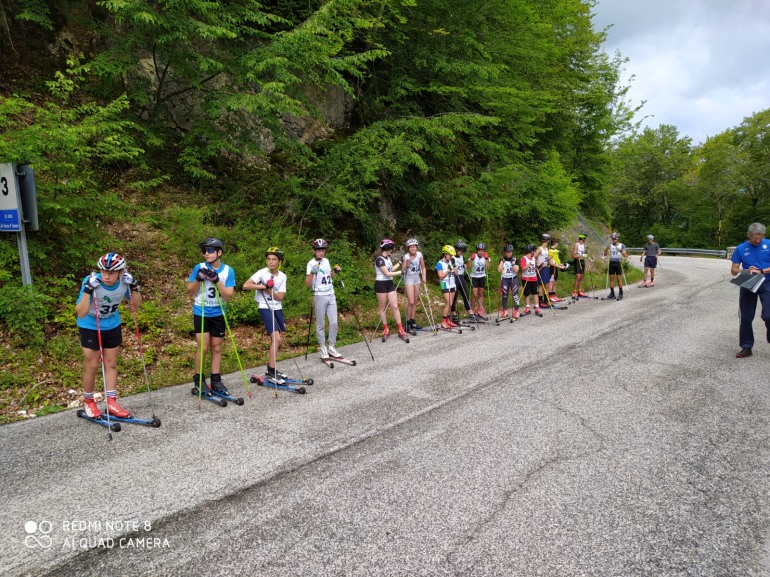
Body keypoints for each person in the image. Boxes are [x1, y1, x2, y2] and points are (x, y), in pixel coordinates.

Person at [76, 253, 142, 419]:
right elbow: (81, 312)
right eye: (103, 271)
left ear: (120, 272)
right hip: (90, 324)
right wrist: (87, 290)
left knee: (111, 363)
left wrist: (135, 287)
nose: (106, 276)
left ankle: (111, 402)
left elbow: (136, 305)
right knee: (92, 364)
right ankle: (89, 401)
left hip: (111, 324)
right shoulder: (91, 281)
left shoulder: (124, 282)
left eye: (111, 273)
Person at [187, 237, 236, 395]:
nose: (205, 253)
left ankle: (216, 379)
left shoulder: (228, 270)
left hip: (218, 312)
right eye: (204, 251)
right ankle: (199, 379)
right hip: (201, 311)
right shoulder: (199, 267)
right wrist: (197, 279)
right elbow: (190, 292)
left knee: (216, 347)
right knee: (203, 346)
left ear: (219, 252)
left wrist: (217, 281)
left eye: (209, 250)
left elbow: (228, 295)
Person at [244, 247, 288, 379]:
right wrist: (263, 286)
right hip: (264, 306)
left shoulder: (283, 276)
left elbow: (280, 297)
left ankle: (271, 367)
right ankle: (271, 370)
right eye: (269, 259)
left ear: (279, 261)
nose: (271, 262)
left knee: (278, 337)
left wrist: (270, 291)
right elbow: (246, 285)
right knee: (276, 337)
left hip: (277, 307)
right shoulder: (261, 273)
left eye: (274, 259)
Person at [730, 222, 770, 359]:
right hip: (749, 281)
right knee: (746, 316)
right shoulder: (741, 248)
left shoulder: (769, 245)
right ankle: (746, 347)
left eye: (760, 237)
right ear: (748, 235)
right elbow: (734, 271)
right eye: (754, 237)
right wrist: (746, 270)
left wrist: (762, 271)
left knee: (768, 315)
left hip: (767, 282)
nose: (757, 240)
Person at [305, 238, 342, 360]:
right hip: (319, 296)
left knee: (334, 322)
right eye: (318, 250)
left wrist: (335, 272)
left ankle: (331, 346)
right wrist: (312, 272)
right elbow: (308, 284)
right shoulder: (310, 263)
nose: (321, 252)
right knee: (321, 324)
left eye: (323, 250)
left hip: (331, 294)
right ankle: (322, 347)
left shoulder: (326, 261)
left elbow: (329, 277)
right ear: (314, 251)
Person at [373, 239, 406, 340]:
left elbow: (390, 270)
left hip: (389, 284)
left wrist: (400, 263)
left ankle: (400, 329)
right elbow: (386, 273)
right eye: (391, 248)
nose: (392, 250)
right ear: (387, 248)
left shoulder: (388, 258)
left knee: (395, 306)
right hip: (381, 284)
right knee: (382, 307)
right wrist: (401, 272)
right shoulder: (379, 259)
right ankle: (385, 328)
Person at [402, 238, 427, 333]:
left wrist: (424, 277)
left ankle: (412, 321)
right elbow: (403, 270)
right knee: (411, 301)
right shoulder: (406, 257)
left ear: (416, 247)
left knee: (415, 301)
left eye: (414, 246)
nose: (413, 248)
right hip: (409, 278)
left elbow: (423, 267)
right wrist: (406, 265)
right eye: (411, 247)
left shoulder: (419, 255)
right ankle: (407, 323)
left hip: (417, 278)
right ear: (408, 248)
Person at [436, 245, 459, 329]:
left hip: (452, 283)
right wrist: (449, 269)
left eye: (452, 255)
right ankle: (443, 320)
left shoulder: (451, 261)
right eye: (450, 254)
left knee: (451, 303)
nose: (451, 256)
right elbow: (441, 276)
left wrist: (454, 265)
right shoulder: (439, 263)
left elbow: (456, 273)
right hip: (444, 284)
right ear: (445, 254)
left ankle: (448, 319)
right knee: (448, 302)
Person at [468, 242, 492, 319]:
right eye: (479, 250)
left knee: (481, 293)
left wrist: (487, 259)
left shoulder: (485, 257)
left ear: (484, 251)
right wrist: (471, 259)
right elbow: (468, 267)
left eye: (482, 251)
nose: (481, 252)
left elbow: (489, 267)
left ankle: (480, 310)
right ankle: (471, 310)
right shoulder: (474, 256)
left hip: (482, 276)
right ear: (477, 251)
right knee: (475, 294)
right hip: (474, 277)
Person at [451, 240, 471, 324]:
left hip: (461, 276)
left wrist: (464, 265)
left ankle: (470, 311)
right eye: (461, 251)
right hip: (455, 277)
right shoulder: (452, 257)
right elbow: (452, 266)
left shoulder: (461, 256)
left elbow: (463, 264)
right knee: (454, 296)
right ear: (457, 249)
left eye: (463, 251)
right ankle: (454, 313)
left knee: (465, 294)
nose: (462, 253)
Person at [603, 232, 628, 300]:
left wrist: (619, 250)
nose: (613, 240)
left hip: (618, 262)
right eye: (612, 238)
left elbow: (625, 255)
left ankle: (620, 293)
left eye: (614, 238)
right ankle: (612, 293)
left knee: (619, 278)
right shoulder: (610, 245)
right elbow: (605, 254)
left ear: (617, 238)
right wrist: (607, 249)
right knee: (611, 278)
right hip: (611, 262)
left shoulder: (621, 245)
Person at [497, 244, 520, 319]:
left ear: (512, 252)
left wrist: (513, 263)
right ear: (505, 252)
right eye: (507, 252)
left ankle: (516, 311)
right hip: (505, 279)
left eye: (510, 252)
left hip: (513, 278)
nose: (509, 253)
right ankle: (505, 311)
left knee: (515, 295)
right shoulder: (502, 260)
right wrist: (501, 262)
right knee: (504, 295)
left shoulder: (515, 259)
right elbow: (499, 270)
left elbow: (516, 270)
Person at [519, 244, 541, 316]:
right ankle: (527, 308)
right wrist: (527, 266)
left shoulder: (534, 258)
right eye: (534, 251)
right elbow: (522, 269)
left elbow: (534, 268)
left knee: (535, 293)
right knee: (527, 293)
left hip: (534, 278)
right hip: (526, 278)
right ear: (531, 251)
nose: (534, 252)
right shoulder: (524, 258)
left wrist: (537, 266)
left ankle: (537, 307)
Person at [535, 234, 554, 306]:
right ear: (547, 241)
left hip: (546, 267)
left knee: (547, 284)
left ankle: (546, 300)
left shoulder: (546, 249)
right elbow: (532, 257)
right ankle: (540, 301)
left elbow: (545, 259)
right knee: (540, 284)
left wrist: (548, 258)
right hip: (541, 268)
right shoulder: (540, 249)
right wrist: (538, 262)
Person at [547, 237, 569, 302]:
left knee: (555, 282)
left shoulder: (555, 251)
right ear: (555, 243)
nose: (558, 245)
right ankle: (550, 296)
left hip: (556, 267)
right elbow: (551, 262)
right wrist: (560, 267)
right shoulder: (551, 250)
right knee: (551, 282)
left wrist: (560, 264)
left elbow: (556, 260)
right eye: (557, 243)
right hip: (551, 268)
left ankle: (554, 295)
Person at [571, 233, 589, 298]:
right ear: (583, 238)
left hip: (582, 261)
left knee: (581, 277)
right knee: (578, 277)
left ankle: (580, 291)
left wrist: (586, 252)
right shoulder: (576, 245)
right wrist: (580, 255)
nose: (585, 240)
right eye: (585, 238)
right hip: (577, 261)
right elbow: (573, 256)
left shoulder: (583, 245)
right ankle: (574, 292)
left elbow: (584, 254)